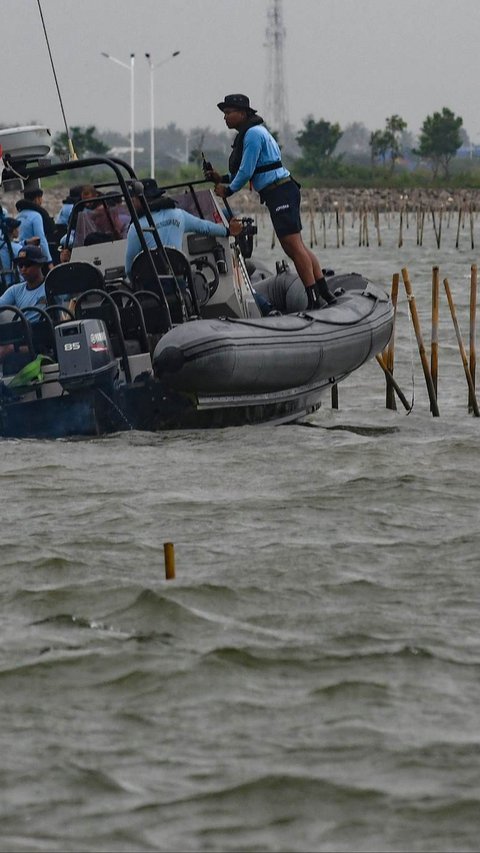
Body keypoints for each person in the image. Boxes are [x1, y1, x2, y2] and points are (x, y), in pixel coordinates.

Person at [207, 93, 336, 308]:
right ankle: (324, 294)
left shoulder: (253, 135)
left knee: (293, 247)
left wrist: (228, 190)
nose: (225, 118)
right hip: (280, 191)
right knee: (297, 246)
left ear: (242, 113)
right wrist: (221, 179)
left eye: (229, 113)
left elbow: (247, 171)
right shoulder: (251, 133)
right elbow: (255, 169)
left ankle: (314, 299)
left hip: (281, 192)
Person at [124, 178, 243, 279]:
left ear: (142, 199)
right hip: (179, 284)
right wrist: (227, 231)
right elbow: (205, 227)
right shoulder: (179, 215)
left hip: (152, 290)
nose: (131, 204)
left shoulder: (135, 227)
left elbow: (129, 270)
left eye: (133, 200)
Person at [0, 245, 48, 362]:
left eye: (28, 265)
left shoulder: (51, 285)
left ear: (40, 264)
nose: (23, 269)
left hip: (45, 339)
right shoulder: (16, 290)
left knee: (6, 349)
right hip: (23, 337)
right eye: (20, 265)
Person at [15, 187, 55, 268]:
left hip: (20, 254)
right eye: (40, 198)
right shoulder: (36, 216)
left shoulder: (18, 216)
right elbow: (41, 239)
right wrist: (49, 261)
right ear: (36, 199)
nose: (41, 201)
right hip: (33, 257)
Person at [0, 216, 23, 290]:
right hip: (12, 286)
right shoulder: (17, 249)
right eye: (17, 228)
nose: (18, 230)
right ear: (12, 231)